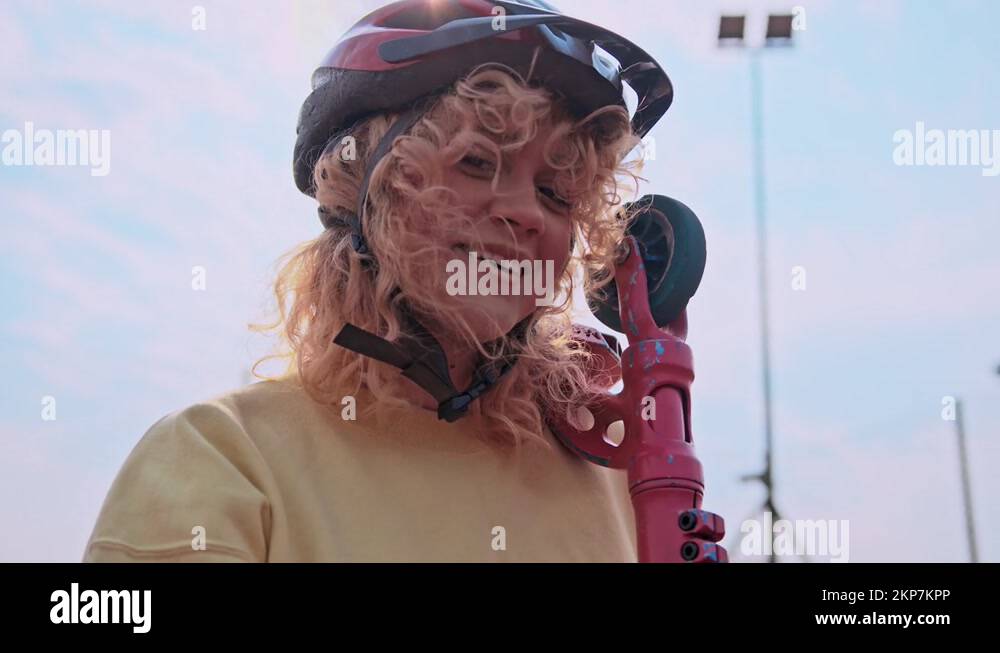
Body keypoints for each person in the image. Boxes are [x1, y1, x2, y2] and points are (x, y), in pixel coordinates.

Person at [83, 0, 673, 562]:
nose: (524, 211)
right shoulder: (220, 460)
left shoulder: (622, 482)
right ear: (360, 193)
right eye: (475, 161)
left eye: (555, 192)